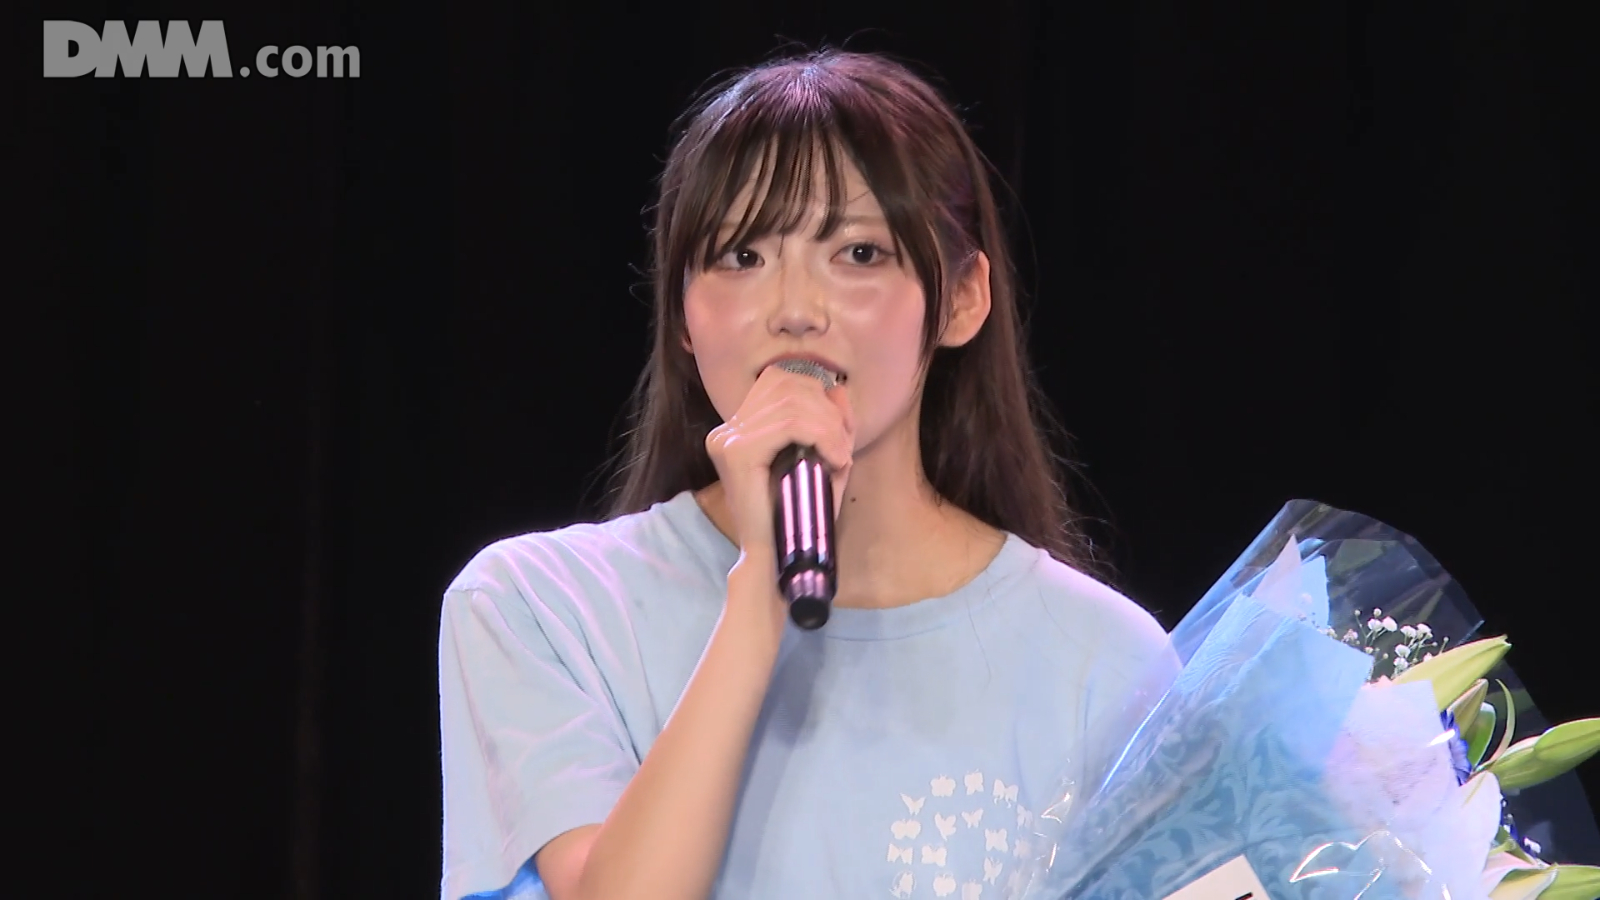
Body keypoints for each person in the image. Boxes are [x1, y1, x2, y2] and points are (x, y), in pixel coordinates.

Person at [437, 48, 1178, 900]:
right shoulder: (540, 607)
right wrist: (760, 588)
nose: (794, 310)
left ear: (963, 298)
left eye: (858, 253)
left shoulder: (1103, 661)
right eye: (741, 256)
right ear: (682, 313)